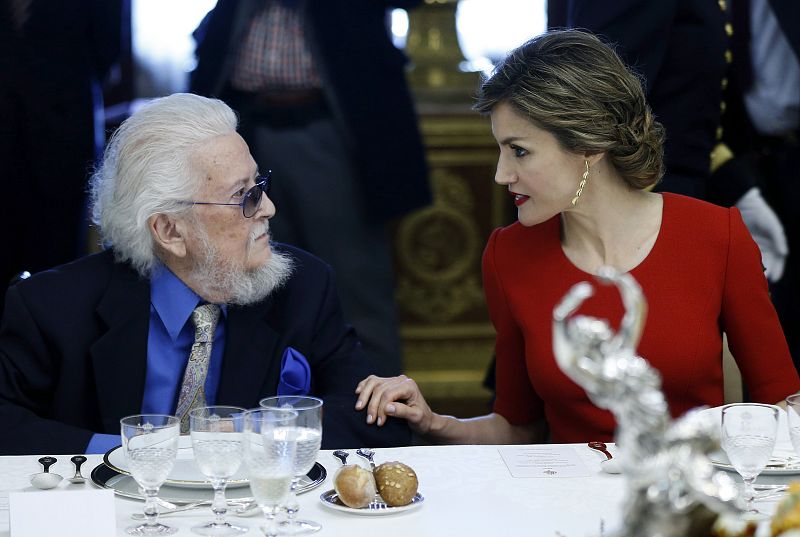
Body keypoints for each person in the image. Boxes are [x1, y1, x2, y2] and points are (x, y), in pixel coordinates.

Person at [354, 30, 800, 445]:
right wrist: (434, 421)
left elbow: (782, 405)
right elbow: (518, 426)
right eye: (500, 149)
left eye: (520, 151)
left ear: (588, 145)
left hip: (687, 507)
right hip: (565, 511)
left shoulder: (716, 235)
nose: (501, 174)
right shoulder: (507, 255)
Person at [0, 93, 410, 455]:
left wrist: (249, 432)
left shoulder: (303, 286)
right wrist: (127, 454)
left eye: (260, 185)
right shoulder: (51, 306)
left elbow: (373, 417)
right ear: (170, 231)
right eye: (244, 196)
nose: (268, 208)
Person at [189, 0, 431, 377]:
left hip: (330, 127)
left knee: (356, 283)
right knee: (251, 280)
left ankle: (382, 418)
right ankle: (262, 406)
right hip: (242, 124)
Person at [0, 0, 123, 312]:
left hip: (64, 120)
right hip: (6, 122)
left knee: (58, 241)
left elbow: (107, 47)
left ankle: (52, 335)